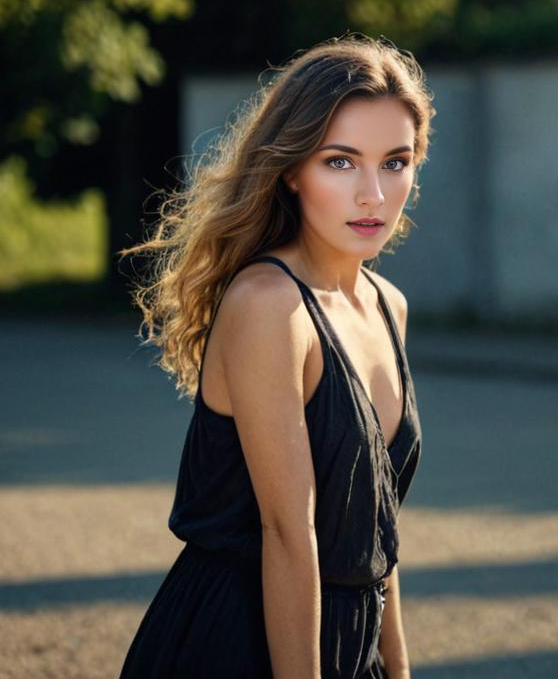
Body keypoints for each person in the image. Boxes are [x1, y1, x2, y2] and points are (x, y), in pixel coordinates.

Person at [117, 34, 435, 678]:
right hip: (237, 642)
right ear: (292, 169)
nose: (373, 193)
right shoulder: (269, 305)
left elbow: (376, 536)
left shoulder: (387, 305)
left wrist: (397, 670)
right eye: (340, 162)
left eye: (395, 162)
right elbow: (288, 536)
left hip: (352, 645)